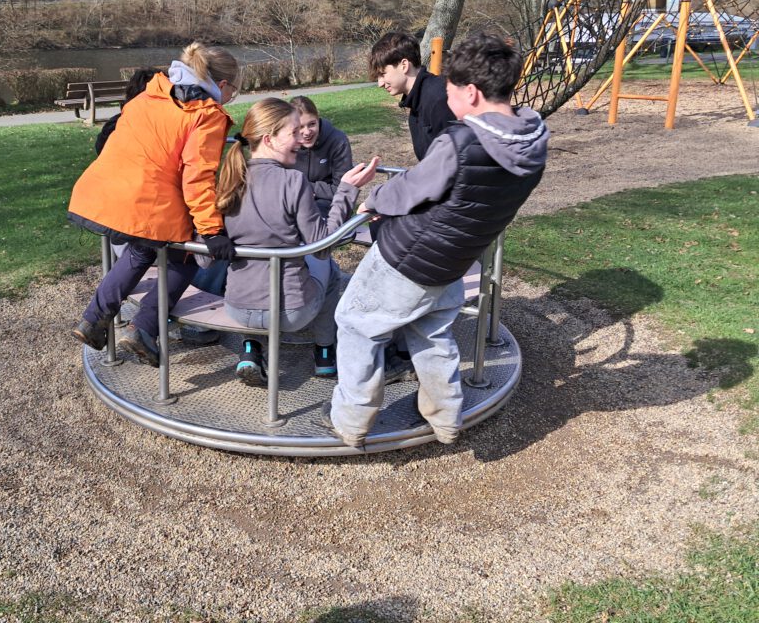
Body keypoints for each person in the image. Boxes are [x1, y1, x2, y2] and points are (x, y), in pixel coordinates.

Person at [323, 32, 549, 446]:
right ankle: (445, 416)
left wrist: (373, 199)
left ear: (471, 93)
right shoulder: (533, 138)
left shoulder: (461, 142)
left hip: (410, 255)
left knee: (355, 323)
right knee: (430, 331)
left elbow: (412, 188)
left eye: (451, 91)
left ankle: (351, 419)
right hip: (458, 255)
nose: (446, 98)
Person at [68, 43, 240, 367]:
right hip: (150, 200)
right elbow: (198, 177)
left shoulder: (151, 95)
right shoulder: (206, 114)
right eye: (234, 91)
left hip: (112, 191)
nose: (231, 98)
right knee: (184, 259)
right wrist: (211, 231)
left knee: (140, 251)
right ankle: (144, 329)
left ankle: (93, 319)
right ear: (223, 85)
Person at [214, 98, 379, 385]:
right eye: (293, 133)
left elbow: (204, 256)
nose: (300, 141)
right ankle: (324, 352)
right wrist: (346, 190)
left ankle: (251, 348)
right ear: (269, 139)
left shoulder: (228, 180)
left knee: (262, 276)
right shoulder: (293, 181)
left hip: (237, 308)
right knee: (330, 271)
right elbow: (322, 246)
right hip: (291, 314)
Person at [370, 31, 454, 162]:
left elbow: (455, 160)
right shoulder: (416, 104)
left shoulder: (439, 98)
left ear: (404, 65)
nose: (380, 84)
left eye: (383, 74)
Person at [288, 96, 353, 217]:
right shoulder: (286, 143)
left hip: (329, 205)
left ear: (318, 118)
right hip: (294, 200)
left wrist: (306, 187)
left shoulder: (337, 141)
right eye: (300, 127)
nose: (307, 132)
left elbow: (343, 189)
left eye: (312, 124)